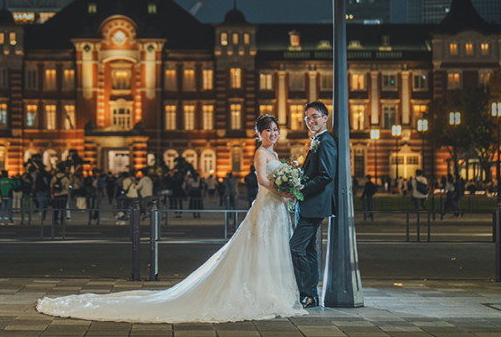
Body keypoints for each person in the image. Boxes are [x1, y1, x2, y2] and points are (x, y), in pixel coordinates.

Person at [36, 113, 306, 322]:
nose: (273, 133)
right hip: (266, 204)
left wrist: (287, 193)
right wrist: (284, 190)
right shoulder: (261, 153)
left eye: (275, 129)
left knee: (272, 250)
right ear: (259, 134)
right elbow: (260, 180)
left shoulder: (274, 153)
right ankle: (261, 293)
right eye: (268, 130)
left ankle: (268, 291)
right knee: (259, 249)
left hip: (276, 208)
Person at [290, 101, 336, 309]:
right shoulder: (318, 140)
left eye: (315, 116)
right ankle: (311, 296)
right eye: (308, 117)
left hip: (314, 204)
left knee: (296, 247)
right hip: (308, 203)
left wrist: (300, 189)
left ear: (325, 118)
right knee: (308, 250)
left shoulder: (326, 141)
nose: (311, 121)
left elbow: (326, 175)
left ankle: (307, 293)